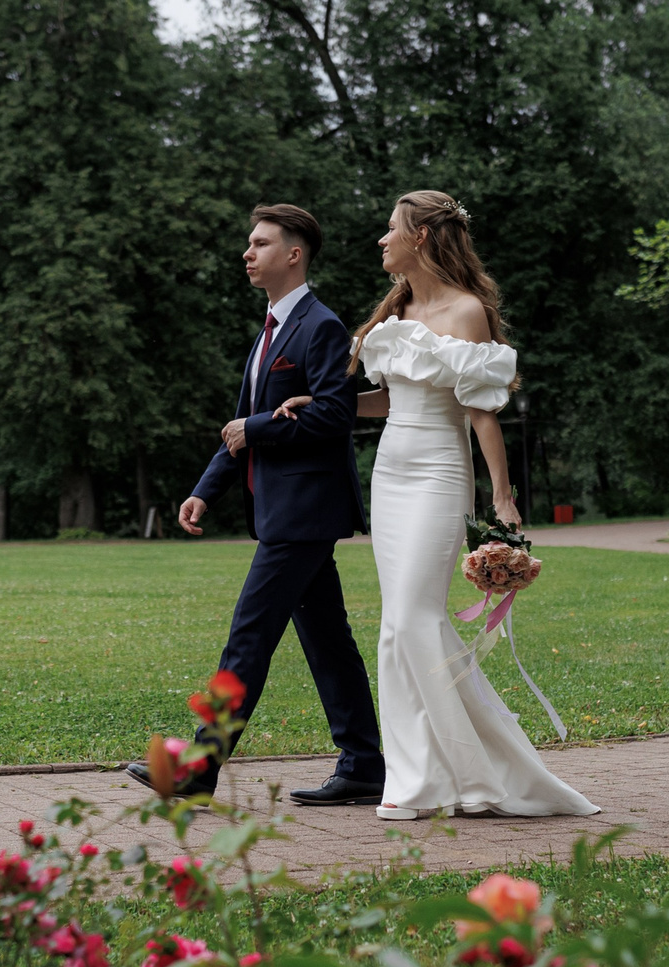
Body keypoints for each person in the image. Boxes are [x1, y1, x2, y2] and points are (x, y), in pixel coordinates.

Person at [337, 190, 597, 821]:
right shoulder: (394, 312)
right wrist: (321, 409)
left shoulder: (467, 312)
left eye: (390, 229)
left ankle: (474, 778)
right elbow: (388, 403)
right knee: (397, 624)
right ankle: (421, 776)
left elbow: (480, 412)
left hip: (437, 474)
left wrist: (503, 497)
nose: (381, 239)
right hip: (391, 475)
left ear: (421, 236)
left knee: (415, 616)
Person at [124, 205, 385, 804]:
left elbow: (335, 414)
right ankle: (365, 764)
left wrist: (260, 426)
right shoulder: (268, 333)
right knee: (327, 640)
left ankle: (197, 766)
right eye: (249, 243)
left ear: (293, 255)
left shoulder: (319, 326)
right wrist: (203, 490)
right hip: (285, 512)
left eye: (260, 243)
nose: (248, 252)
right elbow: (240, 429)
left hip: (303, 512)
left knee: (248, 638)